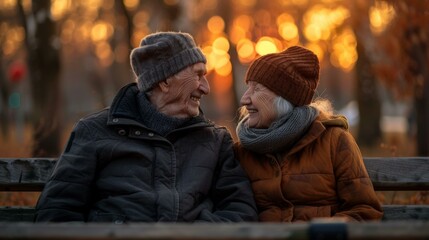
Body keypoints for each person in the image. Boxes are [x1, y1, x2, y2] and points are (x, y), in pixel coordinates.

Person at [35, 31, 258, 223]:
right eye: (198, 74)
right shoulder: (94, 132)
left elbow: (239, 211)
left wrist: (194, 234)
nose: (206, 88)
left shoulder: (215, 141)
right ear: (164, 81)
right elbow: (57, 212)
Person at [234, 46, 383, 222]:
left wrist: (322, 231)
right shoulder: (242, 151)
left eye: (257, 89)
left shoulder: (334, 141)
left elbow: (364, 210)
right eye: (247, 88)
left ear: (284, 98)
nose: (244, 99)